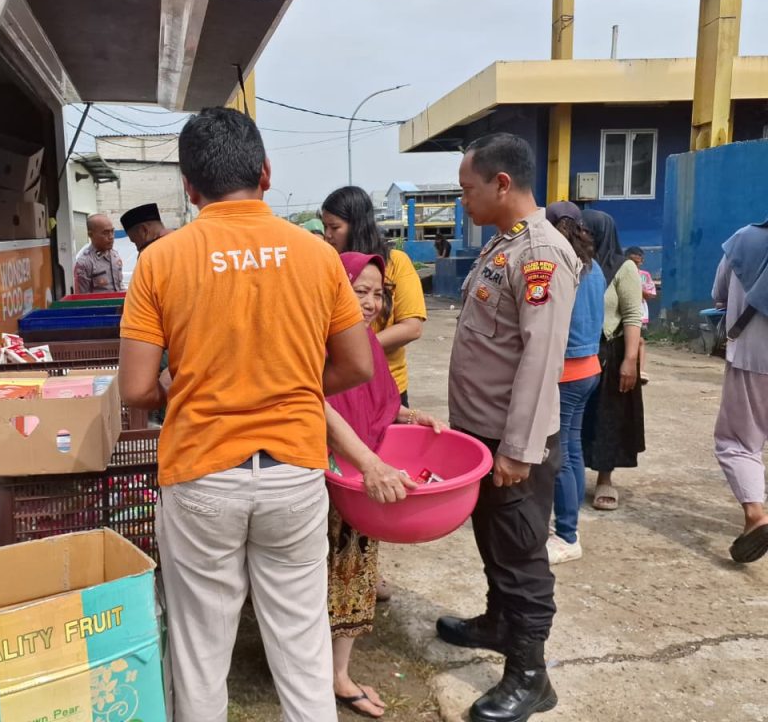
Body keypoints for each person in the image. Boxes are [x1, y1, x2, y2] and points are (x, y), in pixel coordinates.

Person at [118, 106, 373, 722]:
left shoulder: (161, 260)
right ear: (265, 172)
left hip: (202, 474)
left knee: (201, 653)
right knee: (303, 648)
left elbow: (136, 388)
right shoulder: (316, 255)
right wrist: (286, 383)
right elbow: (358, 365)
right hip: (294, 473)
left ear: (189, 186)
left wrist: (189, 390)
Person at [438, 133, 579, 722]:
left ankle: (530, 674)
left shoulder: (540, 254)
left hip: (513, 441)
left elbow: (541, 361)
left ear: (501, 183)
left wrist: (519, 449)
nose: (462, 200)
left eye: (467, 189)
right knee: (493, 538)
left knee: (521, 552)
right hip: (483, 434)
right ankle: (499, 623)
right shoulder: (504, 244)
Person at [324, 251, 445, 719]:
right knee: (315, 577)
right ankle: (310, 670)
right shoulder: (316, 339)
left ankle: (338, 674)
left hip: (361, 481)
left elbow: (378, 404)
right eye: (360, 291)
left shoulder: (366, 344)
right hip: (324, 478)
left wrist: (412, 416)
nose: (371, 303)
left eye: (378, 294)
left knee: (354, 570)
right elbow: (317, 406)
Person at [321, 186, 426, 407]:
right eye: (325, 227)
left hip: (388, 388)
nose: (328, 235)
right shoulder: (329, 265)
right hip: (341, 389)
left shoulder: (396, 263)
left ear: (357, 226)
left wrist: (356, 349)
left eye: (334, 227)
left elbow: (412, 327)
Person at [545, 202, 605, 565]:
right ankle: (568, 525)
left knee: (561, 456)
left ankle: (567, 535)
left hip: (566, 372)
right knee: (573, 449)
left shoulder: (560, 265)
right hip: (589, 369)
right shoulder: (593, 266)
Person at [712, 220, 768, 563]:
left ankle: (756, 515)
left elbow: (718, 293)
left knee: (739, 441)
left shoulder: (744, 238)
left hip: (753, 357)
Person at [581, 209, 644, 511]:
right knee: (576, 417)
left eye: (587, 231)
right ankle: (568, 476)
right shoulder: (575, 264)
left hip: (611, 351)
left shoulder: (624, 267)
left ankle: (605, 479)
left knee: (608, 416)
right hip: (578, 350)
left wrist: (630, 360)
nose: (582, 235)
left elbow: (632, 315)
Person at [625, 246, 656, 384]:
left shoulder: (644, 275)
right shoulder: (623, 272)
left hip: (640, 312)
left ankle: (641, 370)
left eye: (638, 262)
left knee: (640, 340)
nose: (635, 264)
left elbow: (651, 294)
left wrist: (640, 291)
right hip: (626, 310)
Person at [73, 213, 123, 293]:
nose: (111, 237)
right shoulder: (85, 263)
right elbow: (82, 297)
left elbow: (120, 286)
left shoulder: (115, 255)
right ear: (90, 235)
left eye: (112, 231)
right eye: (105, 233)